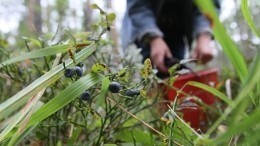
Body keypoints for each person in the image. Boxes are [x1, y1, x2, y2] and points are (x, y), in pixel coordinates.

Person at [121, 0, 220, 78]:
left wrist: (204, 34)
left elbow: (209, 5)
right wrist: (153, 37)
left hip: (177, 31)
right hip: (143, 31)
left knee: (176, 74)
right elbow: (138, 6)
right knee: (151, 76)